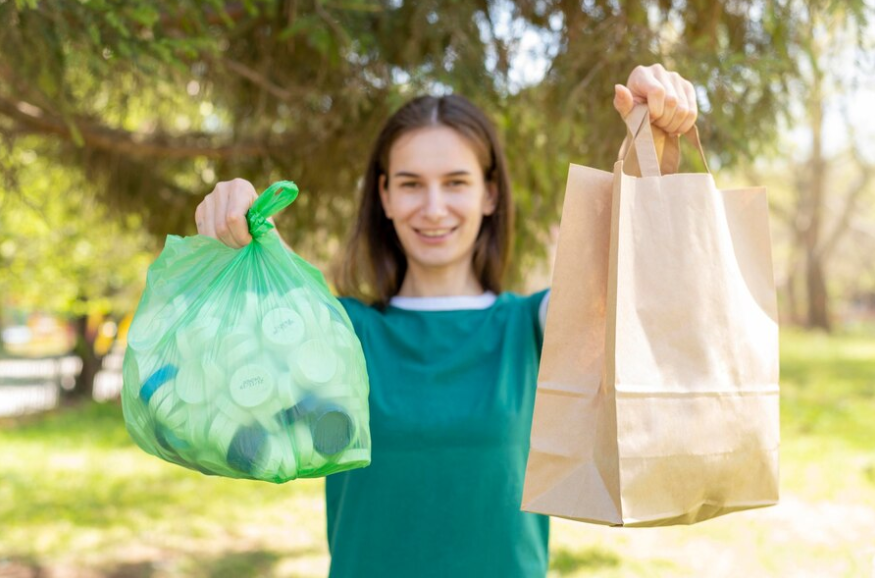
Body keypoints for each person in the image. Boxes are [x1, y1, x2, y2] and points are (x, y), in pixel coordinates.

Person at [195, 64, 698, 578]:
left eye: (456, 182)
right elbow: (229, 353)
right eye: (411, 184)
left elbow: (631, 271)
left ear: (490, 194)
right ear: (385, 196)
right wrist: (233, 226)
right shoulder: (343, 331)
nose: (433, 208)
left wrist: (652, 141)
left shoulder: (531, 327)